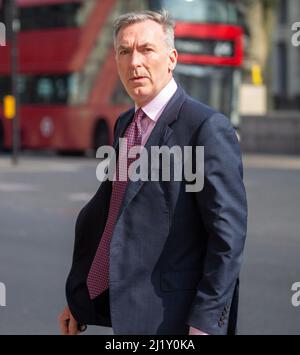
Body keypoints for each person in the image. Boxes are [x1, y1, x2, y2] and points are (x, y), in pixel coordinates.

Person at [59, 10, 247, 336]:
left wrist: (205, 322)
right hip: (129, 316)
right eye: (124, 51)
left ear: (171, 58)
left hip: (178, 321)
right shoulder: (124, 125)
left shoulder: (205, 128)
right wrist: (81, 301)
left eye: (147, 49)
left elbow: (227, 238)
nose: (135, 62)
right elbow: (113, 217)